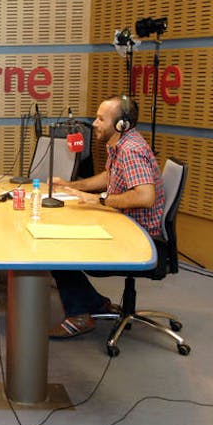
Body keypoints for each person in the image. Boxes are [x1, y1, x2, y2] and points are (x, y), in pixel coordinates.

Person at [49, 95, 165, 339]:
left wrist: (99, 200)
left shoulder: (131, 150)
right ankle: (94, 303)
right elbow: (108, 177)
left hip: (137, 236)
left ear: (121, 124)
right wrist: (72, 186)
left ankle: (80, 314)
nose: (94, 123)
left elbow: (145, 196)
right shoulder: (119, 144)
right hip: (125, 223)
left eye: (101, 119)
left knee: (57, 250)